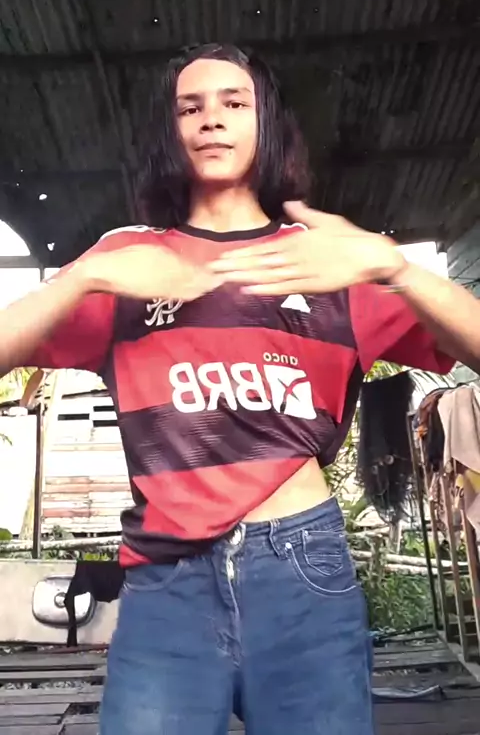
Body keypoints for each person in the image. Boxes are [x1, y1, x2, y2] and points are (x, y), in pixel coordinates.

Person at [0, 43, 479, 735]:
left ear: (267, 123)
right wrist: (83, 278)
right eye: (189, 108)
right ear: (170, 131)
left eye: (234, 103)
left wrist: (394, 268)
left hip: (303, 574)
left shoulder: (326, 260)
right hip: (167, 584)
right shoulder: (125, 260)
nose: (211, 119)